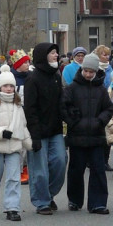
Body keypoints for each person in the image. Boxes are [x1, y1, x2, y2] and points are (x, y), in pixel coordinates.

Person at [0, 66, 33, 222]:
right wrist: (1, 133)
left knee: (14, 178)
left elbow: (23, 127)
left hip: (14, 146)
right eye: (6, 86)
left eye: (11, 86)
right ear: (0, 87)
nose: (9, 89)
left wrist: (29, 144)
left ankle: (12, 208)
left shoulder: (18, 107)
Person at [62, 52, 113, 214]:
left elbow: (108, 108)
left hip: (97, 135)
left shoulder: (102, 90)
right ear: (82, 70)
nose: (89, 74)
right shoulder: (72, 88)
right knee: (76, 169)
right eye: (86, 71)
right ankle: (75, 200)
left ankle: (98, 202)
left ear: (96, 72)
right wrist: (74, 120)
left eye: (92, 71)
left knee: (98, 169)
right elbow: (64, 107)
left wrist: (100, 121)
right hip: (77, 136)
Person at [22, 43, 66, 215]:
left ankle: (48, 194)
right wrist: (34, 135)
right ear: (43, 56)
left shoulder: (56, 75)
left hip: (55, 130)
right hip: (38, 132)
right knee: (39, 170)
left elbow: (61, 103)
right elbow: (30, 109)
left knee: (60, 162)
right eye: (53, 53)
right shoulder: (32, 79)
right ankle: (42, 202)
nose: (56, 56)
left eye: (56, 53)